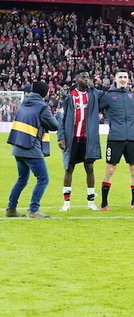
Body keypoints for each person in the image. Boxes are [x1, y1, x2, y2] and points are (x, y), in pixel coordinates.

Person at [6, 81, 59, 218]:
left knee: (22, 179)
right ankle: (33, 210)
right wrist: (58, 115)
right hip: (31, 148)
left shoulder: (24, 103)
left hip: (18, 147)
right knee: (43, 179)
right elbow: (54, 126)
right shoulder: (42, 107)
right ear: (45, 93)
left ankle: (11, 209)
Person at [98, 70, 134, 211]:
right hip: (115, 138)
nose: (123, 79)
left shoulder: (133, 96)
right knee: (110, 170)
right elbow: (96, 110)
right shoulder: (108, 96)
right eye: (121, 77)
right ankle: (104, 204)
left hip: (132, 138)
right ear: (115, 79)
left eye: (125, 77)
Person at [57, 71, 102, 211]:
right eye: (83, 77)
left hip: (88, 139)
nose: (86, 79)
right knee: (69, 169)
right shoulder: (68, 97)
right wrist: (61, 137)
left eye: (87, 77)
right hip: (72, 138)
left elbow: (109, 97)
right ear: (76, 79)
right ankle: (66, 203)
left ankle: (90, 202)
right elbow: (60, 119)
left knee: (89, 168)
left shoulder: (93, 95)